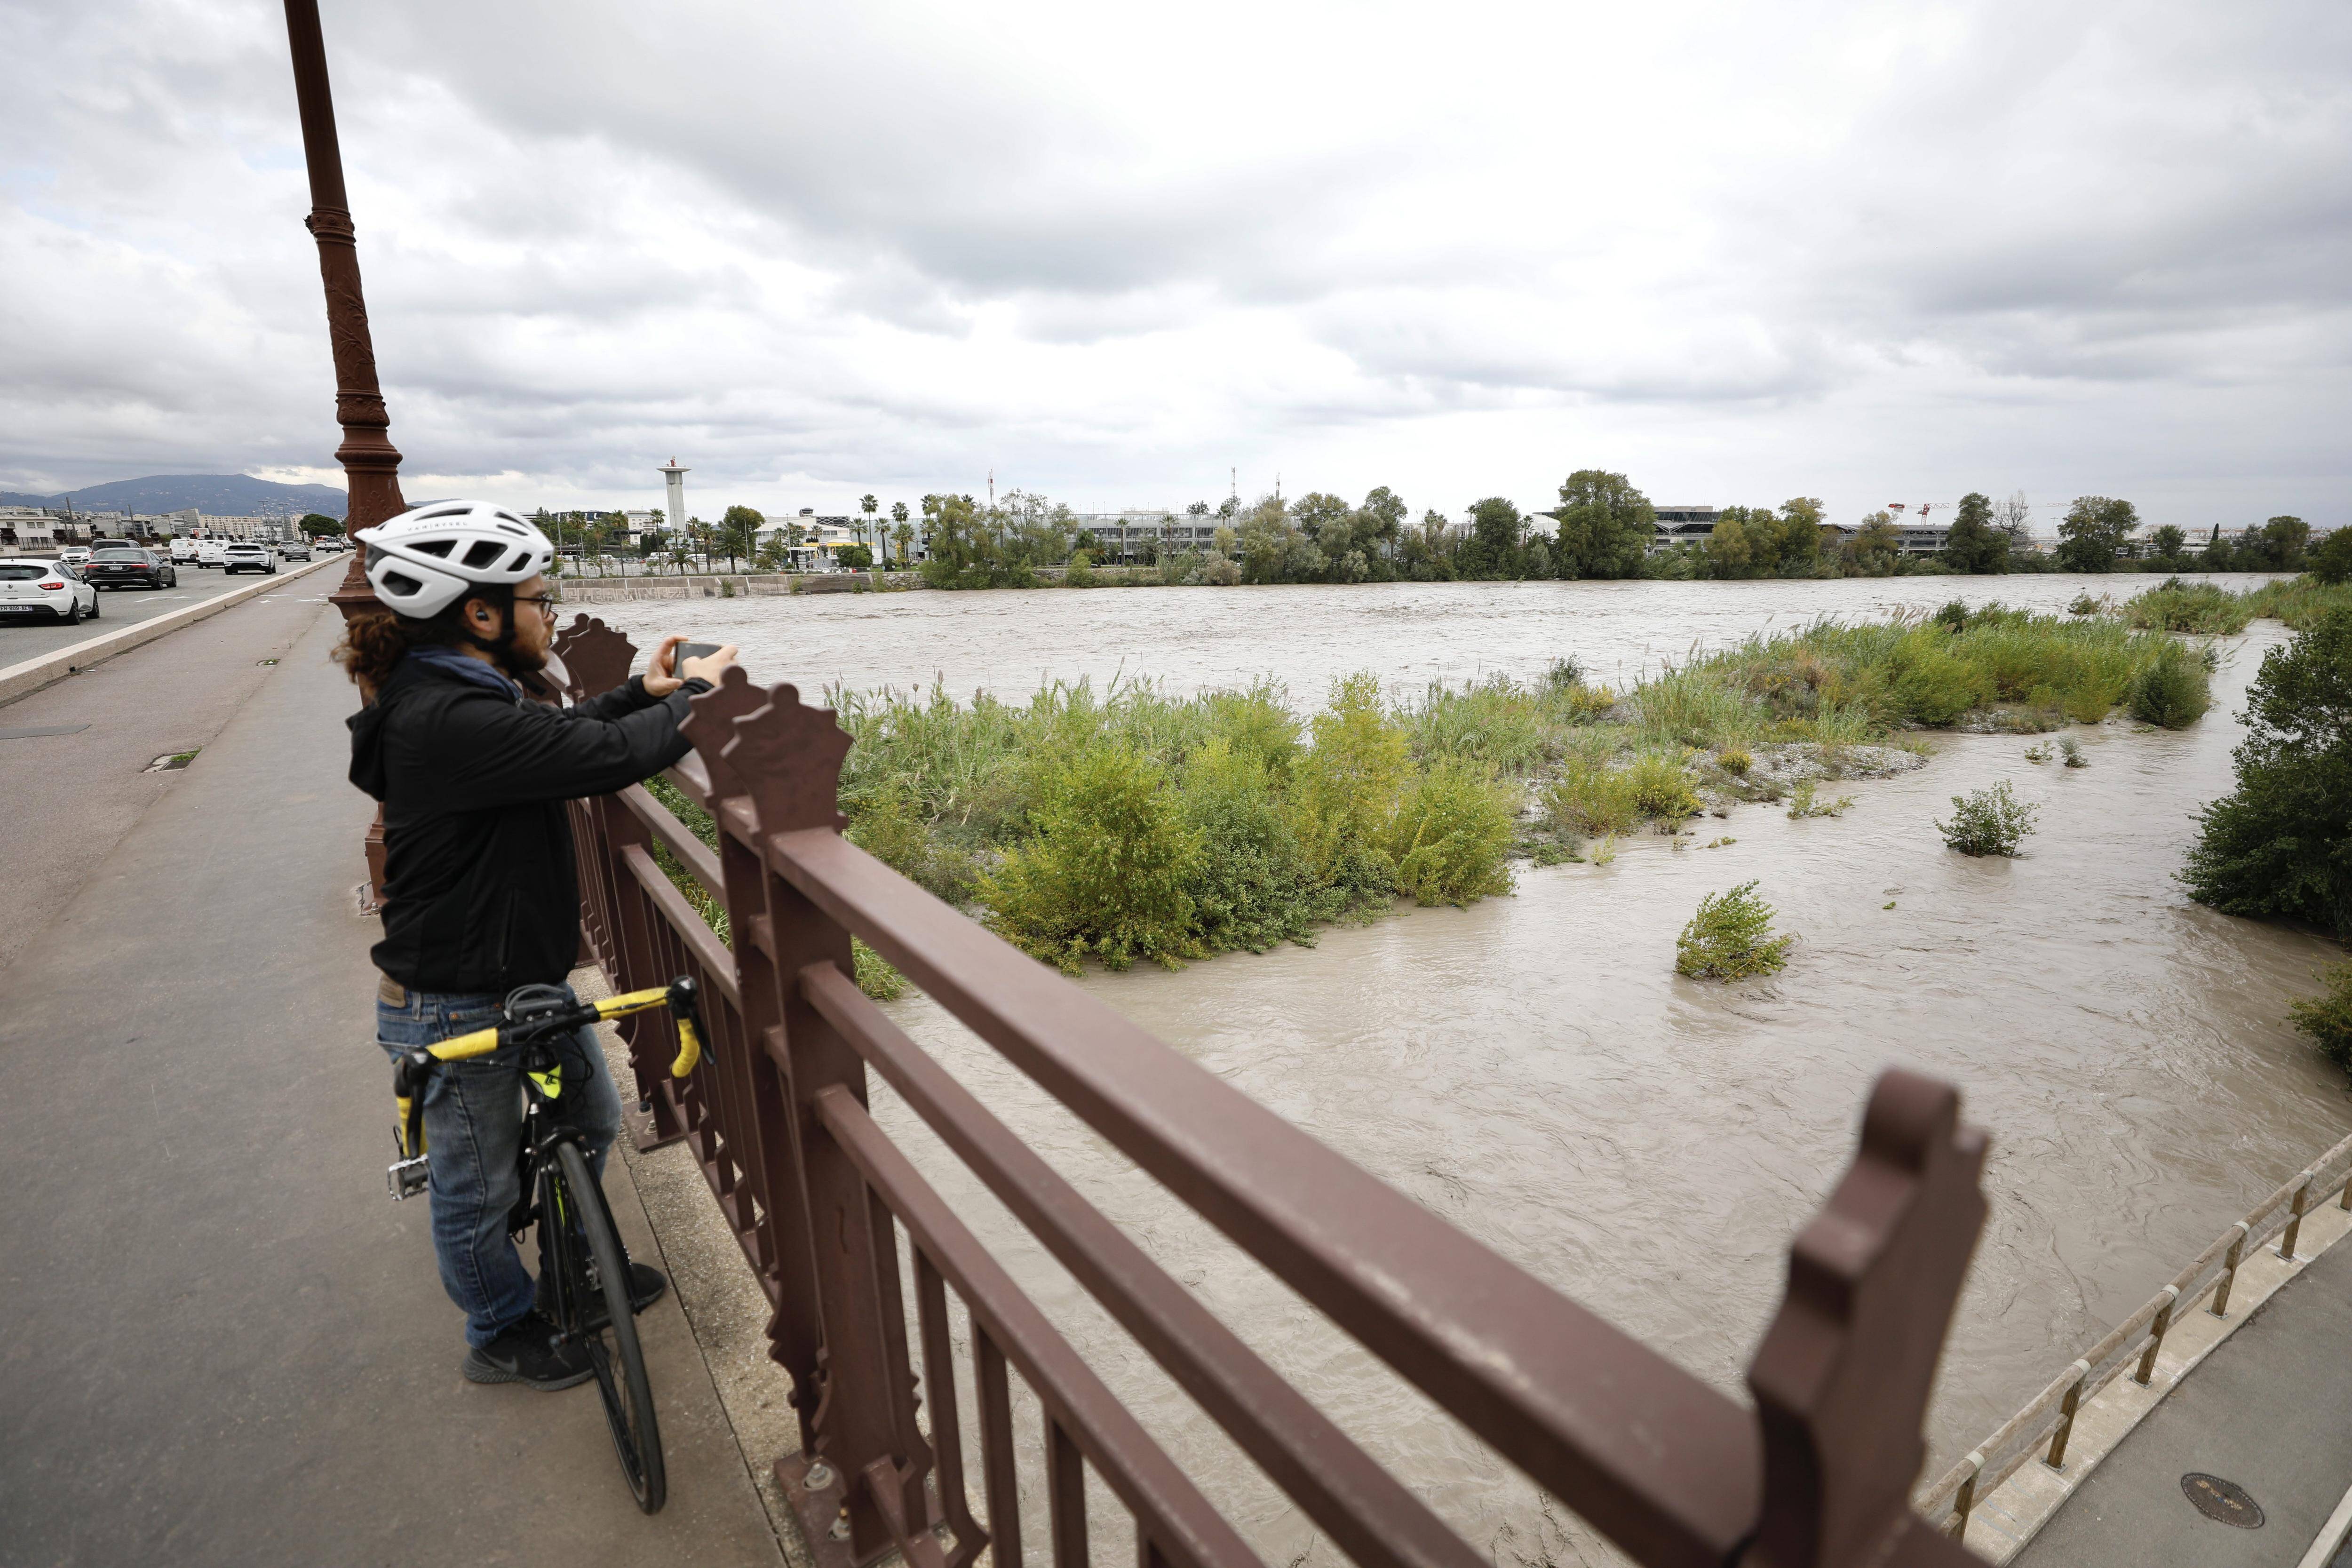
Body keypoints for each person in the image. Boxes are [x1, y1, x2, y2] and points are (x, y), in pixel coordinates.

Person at [338, 500, 737, 1389]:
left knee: (592, 1118)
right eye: (538, 597)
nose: (550, 613)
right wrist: (706, 699)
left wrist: (644, 694)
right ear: (481, 615)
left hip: (516, 974)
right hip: (453, 992)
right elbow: (596, 759)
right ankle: (501, 1327)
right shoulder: (444, 716)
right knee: (474, 1187)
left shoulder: (463, 695)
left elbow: (560, 739)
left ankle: (569, 1258)